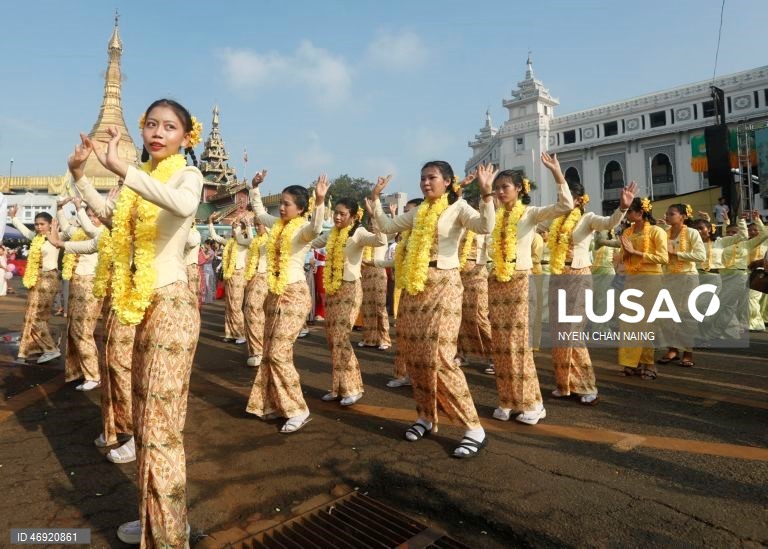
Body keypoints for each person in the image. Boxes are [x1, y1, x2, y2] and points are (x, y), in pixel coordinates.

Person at [68, 97, 203, 547]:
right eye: (150, 125)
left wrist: (126, 171)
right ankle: (156, 519)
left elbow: (183, 207)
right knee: (146, 422)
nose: (157, 132)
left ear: (186, 137)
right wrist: (80, 176)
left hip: (172, 306)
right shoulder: (135, 185)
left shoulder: (189, 175)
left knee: (161, 425)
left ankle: (169, 533)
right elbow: (110, 221)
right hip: (140, 304)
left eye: (169, 126)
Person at [370, 161, 495, 458]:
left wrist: (487, 194)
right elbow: (387, 227)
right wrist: (375, 199)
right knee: (416, 356)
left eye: (432, 178)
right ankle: (426, 416)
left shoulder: (459, 208)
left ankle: (473, 428)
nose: (426, 183)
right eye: (422, 178)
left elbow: (485, 226)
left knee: (440, 355)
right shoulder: (418, 212)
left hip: (444, 284)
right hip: (415, 287)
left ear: (448, 181)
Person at [486, 153, 573, 425]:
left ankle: (533, 403)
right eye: (497, 188)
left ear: (519, 189)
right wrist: (484, 192)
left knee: (517, 345)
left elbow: (565, 205)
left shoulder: (530, 214)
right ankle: (508, 400)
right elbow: (482, 224)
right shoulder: (496, 216)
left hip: (520, 280)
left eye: (505, 187)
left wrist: (557, 174)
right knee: (500, 345)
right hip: (497, 282)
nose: (500, 192)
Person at [246, 170, 327, 433]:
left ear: (301, 208)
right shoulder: (276, 226)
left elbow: (316, 227)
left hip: (294, 296)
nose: (281, 207)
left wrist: (321, 201)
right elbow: (259, 214)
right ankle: (273, 404)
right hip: (274, 295)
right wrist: (255, 188)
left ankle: (298, 409)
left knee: (279, 353)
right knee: (270, 352)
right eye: (280, 203)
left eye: (287, 204)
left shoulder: (303, 229)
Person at [547, 180, 635, 405]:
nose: (560, 201)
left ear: (578, 200)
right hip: (558, 275)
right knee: (559, 332)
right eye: (559, 197)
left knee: (573, 331)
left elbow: (609, 222)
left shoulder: (588, 218)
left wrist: (622, 207)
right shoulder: (556, 220)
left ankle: (587, 386)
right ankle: (564, 384)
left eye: (564, 197)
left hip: (578, 275)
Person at [313, 198, 387, 406]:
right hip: (333, 290)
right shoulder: (331, 234)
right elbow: (312, 240)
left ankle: (353, 387)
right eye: (336, 212)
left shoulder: (359, 233)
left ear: (354, 217)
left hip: (350, 289)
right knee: (331, 339)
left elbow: (381, 241)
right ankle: (338, 387)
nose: (337, 216)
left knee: (341, 338)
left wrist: (375, 216)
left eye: (342, 214)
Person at [367, 198, 423, 388]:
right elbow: (396, 261)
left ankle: (424, 377)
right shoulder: (405, 238)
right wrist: (376, 263)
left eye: (409, 212)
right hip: (407, 287)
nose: (405, 215)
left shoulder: (430, 234)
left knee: (424, 337)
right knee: (404, 333)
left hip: (429, 288)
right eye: (405, 212)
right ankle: (404, 374)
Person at [56, 197, 104, 391]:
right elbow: (65, 227)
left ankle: (94, 374)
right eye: (89, 215)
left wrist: (79, 209)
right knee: (73, 329)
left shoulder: (102, 233)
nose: (91, 219)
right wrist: (60, 208)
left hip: (91, 284)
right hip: (76, 284)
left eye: (95, 215)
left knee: (83, 329)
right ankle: (78, 370)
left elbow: (90, 228)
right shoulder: (76, 232)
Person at [618, 197, 668, 380]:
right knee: (628, 323)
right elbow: (624, 256)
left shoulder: (656, 231)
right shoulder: (628, 232)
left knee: (646, 323)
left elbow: (663, 258)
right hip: (631, 279)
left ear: (640, 212)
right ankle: (632, 362)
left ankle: (649, 363)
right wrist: (622, 256)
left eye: (629, 211)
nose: (627, 214)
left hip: (650, 279)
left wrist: (635, 252)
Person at [8, 206, 62, 364]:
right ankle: (29, 350)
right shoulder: (37, 238)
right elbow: (25, 231)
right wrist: (14, 217)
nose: (38, 227)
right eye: (36, 224)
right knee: (31, 315)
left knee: (37, 316)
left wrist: (61, 211)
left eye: (42, 224)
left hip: (48, 279)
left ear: (50, 224)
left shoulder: (56, 237)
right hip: (35, 278)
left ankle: (51, 349)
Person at [656, 204, 706, 367]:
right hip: (668, 278)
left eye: (672, 214)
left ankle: (687, 352)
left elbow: (700, 255)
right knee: (666, 315)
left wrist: (676, 253)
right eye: (667, 214)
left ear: (682, 217)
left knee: (686, 315)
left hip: (687, 278)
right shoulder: (664, 233)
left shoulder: (692, 233)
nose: (668, 216)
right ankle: (673, 349)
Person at [241, 176, 270, 367]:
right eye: (256, 224)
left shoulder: (274, 239)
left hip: (269, 278)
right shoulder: (256, 241)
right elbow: (243, 239)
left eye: (259, 224)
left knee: (255, 310)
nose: (257, 226)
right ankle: (256, 350)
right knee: (251, 311)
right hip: (254, 277)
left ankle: (261, 350)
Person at [208, 213, 248, 344]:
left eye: (236, 226)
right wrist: (210, 222)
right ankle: (230, 333)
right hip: (229, 275)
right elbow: (215, 237)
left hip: (239, 274)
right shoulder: (229, 242)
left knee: (236, 305)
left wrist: (246, 224)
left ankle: (241, 333)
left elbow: (244, 238)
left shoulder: (244, 242)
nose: (233, 228)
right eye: (233, 227)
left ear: (242, 230)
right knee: (229, 305)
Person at [184, 222, 202, 306]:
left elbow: (190, 243)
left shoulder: (195, 233)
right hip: (183, 265)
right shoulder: (186, 232)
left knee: (192, 291)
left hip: (191, 265)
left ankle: (194, 312)